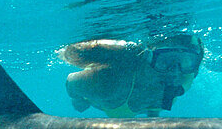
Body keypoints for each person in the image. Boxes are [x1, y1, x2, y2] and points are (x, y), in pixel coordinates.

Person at [59, 34, 204, 117]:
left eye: (186, 62)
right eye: (164, 61)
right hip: (99, 100)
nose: (175, 71)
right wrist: (78, 100)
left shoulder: (184, 79)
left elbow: (156, 106)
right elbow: (70, 83)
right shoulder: (109, 81)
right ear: (147, 58)